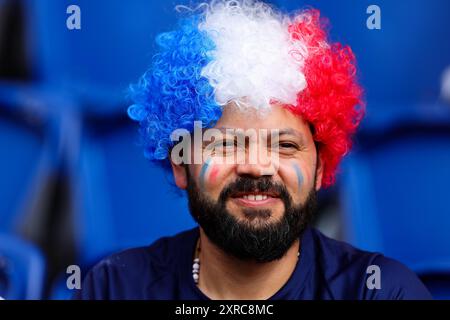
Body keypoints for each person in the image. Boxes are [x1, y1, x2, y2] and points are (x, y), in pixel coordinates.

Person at [74, 0, 432, 300]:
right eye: (226, 144)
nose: (257, 166)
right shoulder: (117, 287)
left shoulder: (380, 292)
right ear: (180, 164)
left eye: (285, 145)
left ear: (322, 167)